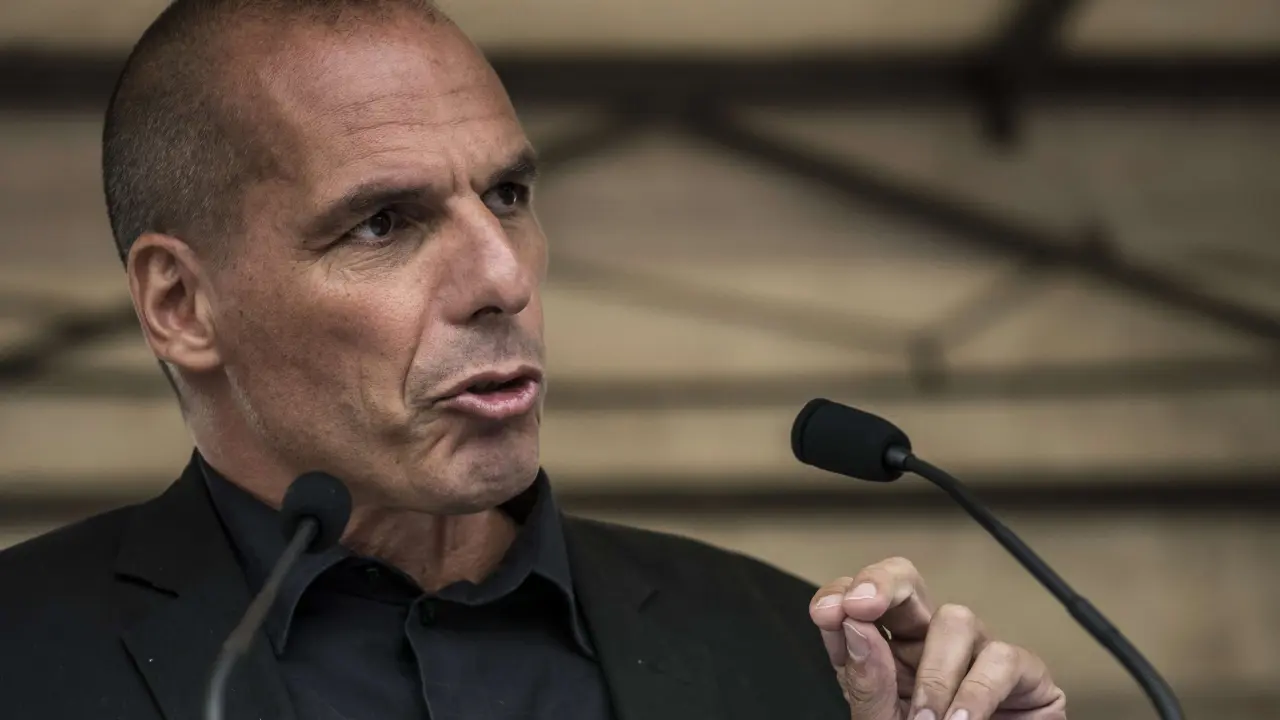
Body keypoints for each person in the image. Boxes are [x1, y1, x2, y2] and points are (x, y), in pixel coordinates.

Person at [0, 2, 1068, 719]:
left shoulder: (792, 655)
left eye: (508, 195)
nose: (503, 276)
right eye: (382, 223)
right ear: (181, 305)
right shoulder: (26, 652)